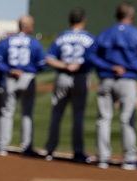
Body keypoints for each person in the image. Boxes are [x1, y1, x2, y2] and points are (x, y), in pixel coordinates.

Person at [93, 2, 137, 170]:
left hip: (106, 79)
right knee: (127, 120)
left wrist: (110, 67)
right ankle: (129, 159)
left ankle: (103, 159)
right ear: (131, 16)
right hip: (127, 80)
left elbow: (93, 57)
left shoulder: (105, 34)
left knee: (104, 119)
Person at [44, 8, 97, 163]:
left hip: (62, 76)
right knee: (78, 116)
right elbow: (94, 59)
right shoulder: (90, 38)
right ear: (83, 20)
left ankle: (50, 150)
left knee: (56, 114)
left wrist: (65, 65)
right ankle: (78, 152)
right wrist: (78, 64)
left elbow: (49, 59)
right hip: (80, 77)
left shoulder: (61, 37)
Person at [0, 15, 46, 157]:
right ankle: (26, 146)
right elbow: (42, 65)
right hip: (27, 77)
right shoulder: (34, 43)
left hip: (10, 77)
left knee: (6, 113)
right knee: (27, 114)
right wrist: (29, 70)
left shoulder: (7, 41)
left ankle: (2, 146)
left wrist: (10, 70)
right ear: (28, 26)